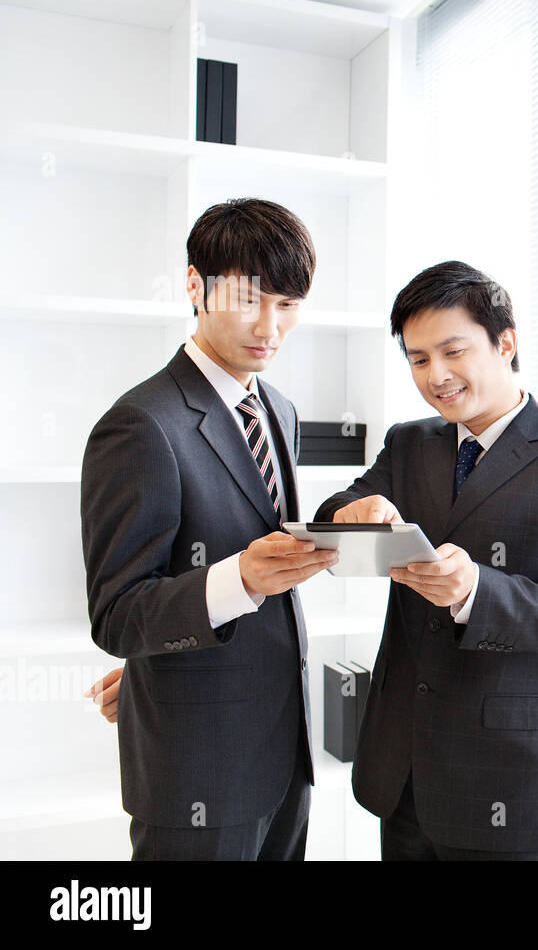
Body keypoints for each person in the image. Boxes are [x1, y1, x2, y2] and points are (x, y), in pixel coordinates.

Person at [317, 260, 538, 860]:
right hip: (404, 773)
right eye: (418, 359)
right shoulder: (410, 444)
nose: (437, 376)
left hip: (512, 781)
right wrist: (349, 514)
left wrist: (475, 592)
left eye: (452, 351)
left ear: (505, 343)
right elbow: (343, 507)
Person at [80, 198, 337, 860]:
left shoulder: (278, 408)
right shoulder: (140, 424)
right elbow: (117, 614)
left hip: (284, 754)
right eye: (250, 299)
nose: (270, 326)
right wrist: (239, 579)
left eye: (288, 304)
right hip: (196, 769)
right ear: (194, 286)